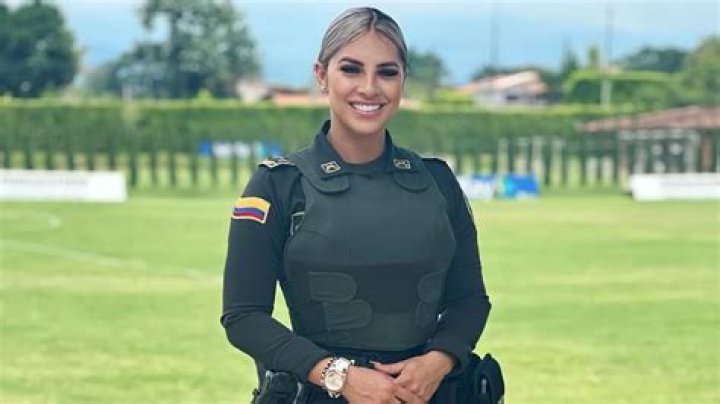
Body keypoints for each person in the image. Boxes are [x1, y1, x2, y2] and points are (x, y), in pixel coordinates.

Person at [221, 7, 492, 403]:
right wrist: (339, 376)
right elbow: (244, 317)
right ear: (321, 76)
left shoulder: (437, 181)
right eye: (350, 69)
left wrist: (438, 360)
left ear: (403, 81)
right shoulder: (278, 184)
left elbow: (470, 299)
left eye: (387, 72)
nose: (369, 87)